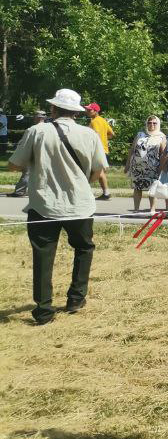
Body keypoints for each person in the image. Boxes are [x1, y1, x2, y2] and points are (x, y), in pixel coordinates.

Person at [7, 89, 108, 325]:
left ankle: (43, 310)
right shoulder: (89, 134)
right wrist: (81, 182)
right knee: (84, 249)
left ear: (53, 109)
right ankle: (76, 298)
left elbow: (13, 165)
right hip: (80, 204)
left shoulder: (36, 131)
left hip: (44, 204)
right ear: (76, 112)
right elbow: (98, 171)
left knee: (43, 256)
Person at [125, 115, 166, 214]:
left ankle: (152, 209)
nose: (151, 124)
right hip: (137, 167)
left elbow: (163, 153)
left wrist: (162, 167)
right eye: (149, 122)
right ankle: (136, 210)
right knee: (137, 188)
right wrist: (127, 165)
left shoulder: (161, 136)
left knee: (152, 189)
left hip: (153, 167)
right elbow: (132, 150)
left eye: (154, 123)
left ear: (158, 124)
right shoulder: (140, 135)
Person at [9, 110, 47, 197]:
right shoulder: (50, 128)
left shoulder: (33, 129)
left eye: (35, 116)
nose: (33, 118)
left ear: (38, 117)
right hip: (46, 154)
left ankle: (20, 192)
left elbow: (24, 143)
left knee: (27, 173)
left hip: (34, 154)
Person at [84, 102, 114, 200]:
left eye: (89, 110)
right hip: (104, 150)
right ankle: (106, 193)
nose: (87, 111)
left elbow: (95, 135)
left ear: (95, 111)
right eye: (87, 109)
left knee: (94, 172)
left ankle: (86, 192)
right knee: (100, 173)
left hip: (97, 150)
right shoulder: (103, 120)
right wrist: (104, 138)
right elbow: (112, 134)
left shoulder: (94, 121)